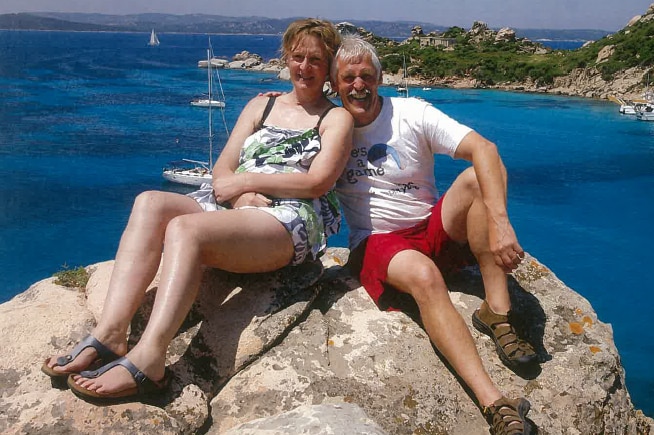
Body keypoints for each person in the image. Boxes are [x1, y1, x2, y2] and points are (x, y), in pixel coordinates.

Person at [41, 18, 353, 404]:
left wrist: (244, 184)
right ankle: (111, 332)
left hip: (288, 219)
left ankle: (150, 358)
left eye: (316, 60)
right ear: (286, 58)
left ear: (329, 67)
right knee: (149, 203)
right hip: (234, 204)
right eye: (298, 57)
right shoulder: (262, 105)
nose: (304, 68)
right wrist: (236, 193)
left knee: (187, 230)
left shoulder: (335, 117)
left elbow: (317, 183)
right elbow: (222, 167)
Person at [330, 35, 537, 435]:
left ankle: (496, 309)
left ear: (380, 77)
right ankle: (494, 404)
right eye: (348, 78)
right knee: (425, 277)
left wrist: (501, 225)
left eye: (366, 76)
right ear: (336, 84)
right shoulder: (329, 127)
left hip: (430, 228)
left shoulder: (410, 112)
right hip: (378, 241)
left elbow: (485, 149)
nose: (358, 85)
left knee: (481, 173)